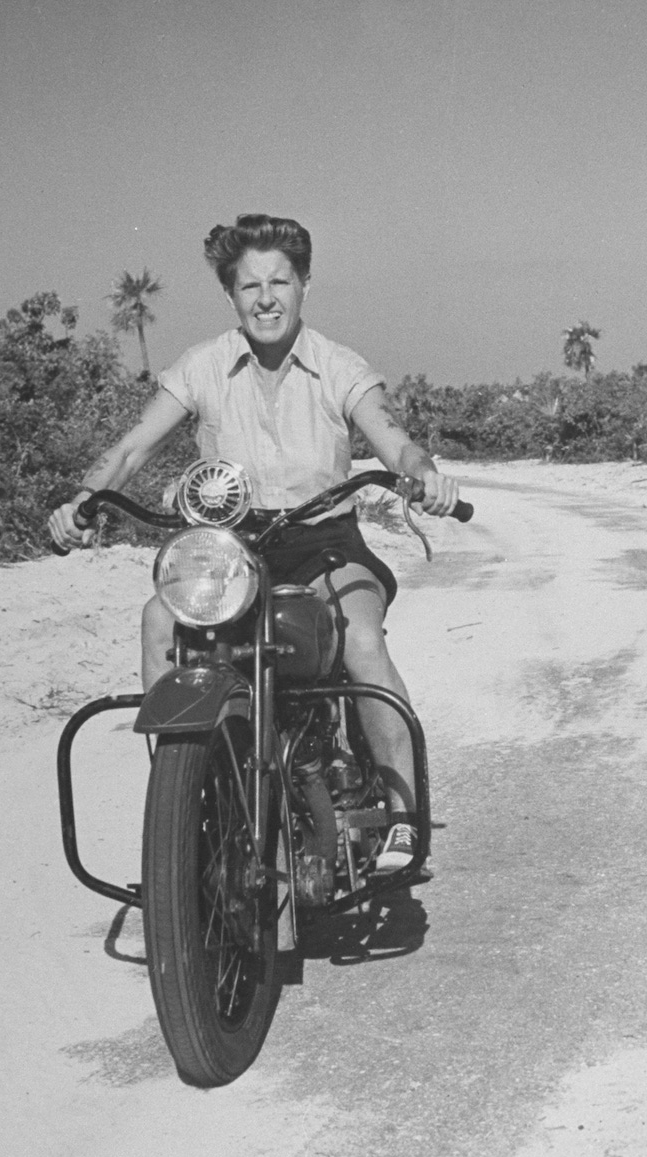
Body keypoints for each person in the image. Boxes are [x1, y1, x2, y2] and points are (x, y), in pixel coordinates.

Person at [49, 214, 460, 871]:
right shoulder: (203, 367)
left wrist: (423, 475)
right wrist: (81, 499)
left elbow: (394, 441)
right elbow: (130, 449)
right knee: (160, 620)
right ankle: (186, 797)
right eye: (250, 287)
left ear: (303, 287)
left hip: (324, 541)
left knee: (359, 639)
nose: (266, 298)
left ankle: (402, 814)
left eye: (281, 282)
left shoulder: (338, 365)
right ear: (231, 296)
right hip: (228, 550)